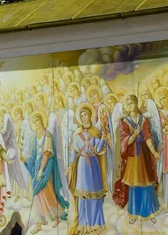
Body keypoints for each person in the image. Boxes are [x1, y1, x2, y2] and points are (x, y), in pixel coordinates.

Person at [113, 94, 160, 223]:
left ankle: (149, 212)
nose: (130, 105)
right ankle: (133, 213)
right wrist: (133, 135)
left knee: (146, 183)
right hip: (132, 157)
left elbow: (148, 137)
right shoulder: (125, 121)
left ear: (136, 103)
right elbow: (124, 141)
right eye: (128, 104)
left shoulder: (144, 120)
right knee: (133, 184)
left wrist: (154, 151)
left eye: (132, 102)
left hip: (143, 155)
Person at [23, 112, 68, 234]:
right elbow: (33, 155)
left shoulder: (47, 135)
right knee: (37, 194)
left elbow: (47, 153)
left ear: (41, 121)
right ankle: (40, 221)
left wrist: (42, 170)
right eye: (34, 121)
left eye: (37, 120)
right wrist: (25, 159)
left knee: (47, 192)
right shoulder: (34, 137)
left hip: (46, 167)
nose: (35, 123)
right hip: (37, 166)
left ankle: (57, 216)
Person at [67, 103, 108, 235]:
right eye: (82, 115)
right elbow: (74, 153)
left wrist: (104, 137)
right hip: (82, 166)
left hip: (94, 165)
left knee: (95, 194)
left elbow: (98, 148)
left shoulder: (95, 132)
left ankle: (95, 223)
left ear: (90, 116)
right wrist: (70, 166)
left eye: (86, 115)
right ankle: (84, 224)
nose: (84, 117)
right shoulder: (77, 133)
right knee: (83, 195)